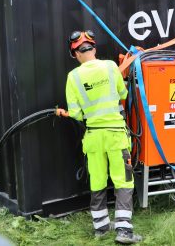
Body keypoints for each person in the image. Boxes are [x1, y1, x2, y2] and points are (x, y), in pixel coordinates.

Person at [56, 30, 142, 244]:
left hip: (93, 138)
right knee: (123, 181)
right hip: (116, 136)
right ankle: (124, 231)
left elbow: (75, 113)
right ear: (94, 48)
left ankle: (101, 228)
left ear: (75, 54)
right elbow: (123, 94)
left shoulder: (73, 77)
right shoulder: (111, 67)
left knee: (97, 181)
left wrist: (66, 111)